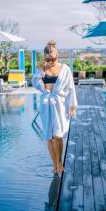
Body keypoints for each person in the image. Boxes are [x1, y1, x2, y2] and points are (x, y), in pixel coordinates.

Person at [32, 40, 77, 174]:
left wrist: (72, 105)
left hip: (60, 104)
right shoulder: (41, 69)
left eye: (54, 58)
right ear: (45, 57)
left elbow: (71, 88)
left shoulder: (65, 69)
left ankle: (60, 162)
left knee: (58, 135)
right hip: (46, 104)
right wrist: (42, 82)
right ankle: (55, 165)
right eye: (49, 59)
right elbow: (35, 82)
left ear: (57, 55)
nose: (52, 61)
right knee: (49, 136)